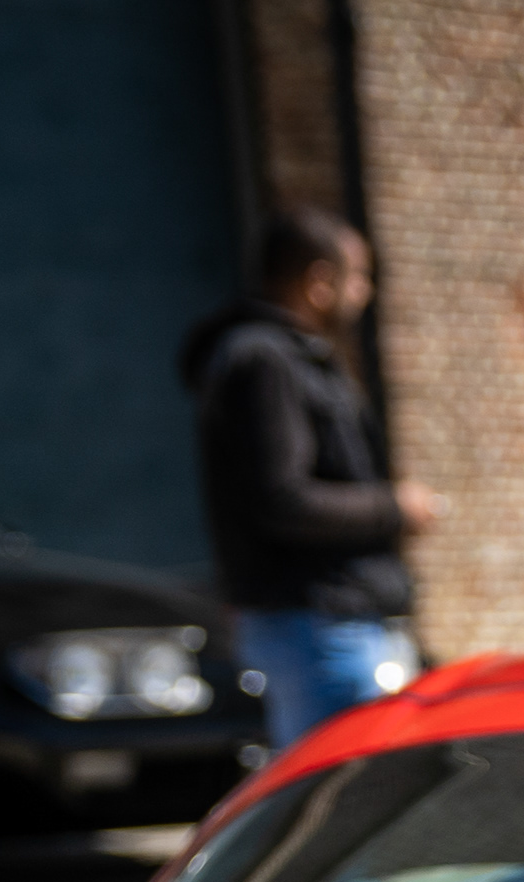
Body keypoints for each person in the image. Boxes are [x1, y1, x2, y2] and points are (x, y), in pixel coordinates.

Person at [177, 207, 442, 746]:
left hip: (332, 622)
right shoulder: (266, 362)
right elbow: (283, 498)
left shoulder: (288, 357)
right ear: (320, 283)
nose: (365, 292)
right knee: (342, 783)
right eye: (359, 276)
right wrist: (393, 507)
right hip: (317, 627)